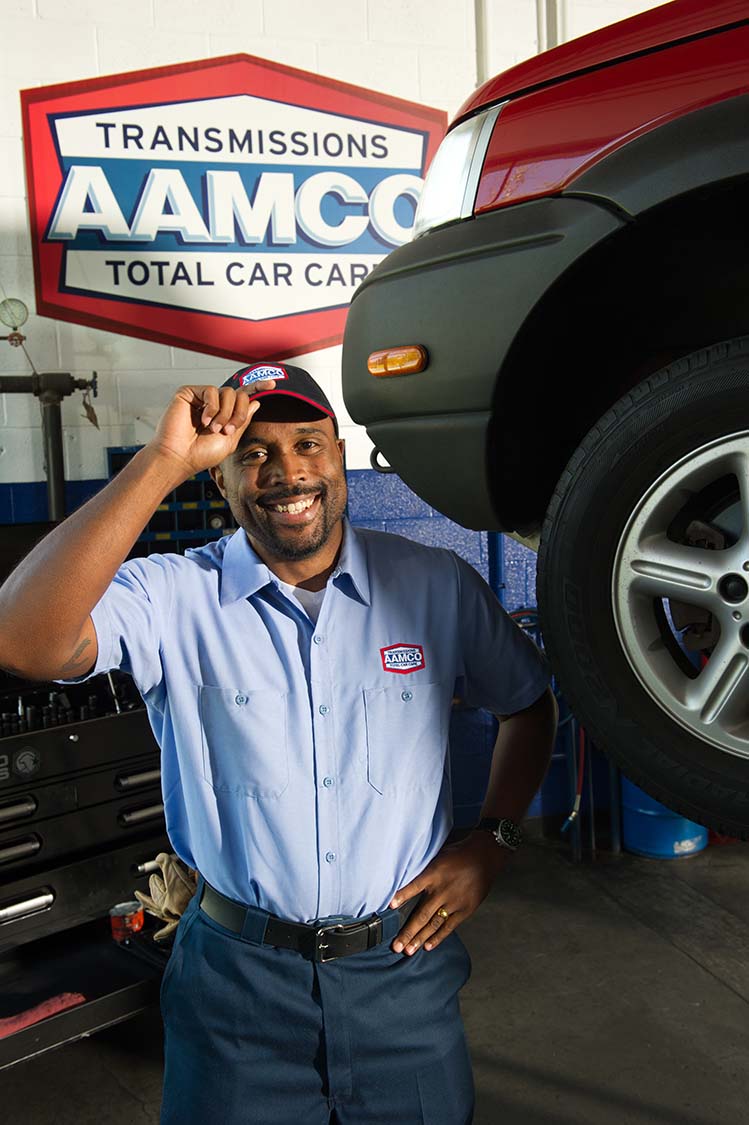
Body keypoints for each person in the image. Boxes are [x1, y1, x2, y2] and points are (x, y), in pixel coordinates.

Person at [0, 362, 557, 1125]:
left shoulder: (434, 584)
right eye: (254, 452)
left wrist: (493, 842)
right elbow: (22, 639)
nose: (286, 470)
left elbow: (527, 705)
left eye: (307, 443)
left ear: (340, 458)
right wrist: (161, 460)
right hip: (234, 994)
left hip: (401, 978)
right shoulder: (174, 595)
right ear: (220, 479)